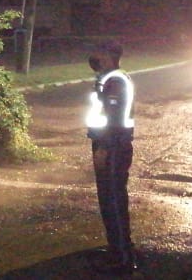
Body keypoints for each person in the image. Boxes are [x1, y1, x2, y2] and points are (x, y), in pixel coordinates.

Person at [85, 40, 137, 274]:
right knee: (109, 199)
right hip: (109, 143)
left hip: (113, 145)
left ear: (108, 55)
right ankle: (117, 247)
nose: (94, 55)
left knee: (113, 201)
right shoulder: (109, 77)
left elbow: (114, 118)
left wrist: (104, 148)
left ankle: (122, 258)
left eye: (98, 51)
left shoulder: (116, 80)